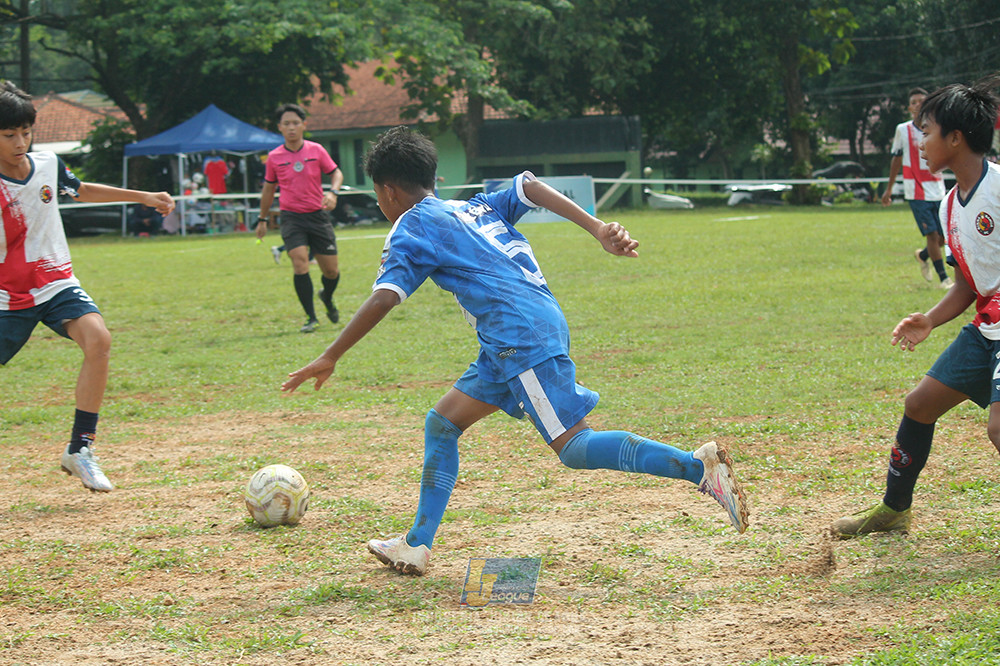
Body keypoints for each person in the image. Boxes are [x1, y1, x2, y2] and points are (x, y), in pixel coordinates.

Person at [281, 126, 749, 576]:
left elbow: (386, 295)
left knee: (574, 446)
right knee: (443, 423)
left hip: (518, 338)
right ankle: (417, 545)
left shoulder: (411, 226)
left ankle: (697, 467)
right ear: (432, 178)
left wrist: (331, 355)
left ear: (387, 192)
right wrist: (597, 228)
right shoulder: (473, 206)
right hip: (517, 333)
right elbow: (530, 186)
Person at [832, 76, 1000, 538]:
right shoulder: (948, 207)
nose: (920, 142)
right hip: (987, 326)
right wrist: (930, 318)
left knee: (998, 429)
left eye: (927, 132)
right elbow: (966, 285)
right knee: (920, 405)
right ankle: (894, 510)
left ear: (955, 138)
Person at [0, 81, 175, 492]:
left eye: (26, 132)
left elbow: (79, 191)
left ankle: (80, 449)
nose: (20, 143)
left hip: (55, 281)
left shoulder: (47, 164)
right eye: (9, 135)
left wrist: (143, 196)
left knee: (99, 339)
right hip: (7, 295)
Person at [254, 103, 343, 333]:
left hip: (318, 216)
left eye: (295, 123)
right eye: (286, 124)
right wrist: (262, 220)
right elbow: (268, 190)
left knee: (331, 272)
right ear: (280, 128)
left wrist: (333, 193)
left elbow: (335, 172)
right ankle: (311, 317)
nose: (291, 127)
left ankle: (327, 296)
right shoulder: (274, 157)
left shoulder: (316, 150)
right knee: (300, 262)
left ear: (304, 125)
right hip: (292, 218)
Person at [883, 87, 953, 289]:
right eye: (914, 102)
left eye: (922, 101)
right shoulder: (902, 130)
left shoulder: (937, 127)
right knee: (932, 235)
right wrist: (889, 188)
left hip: (937, 189)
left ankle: (922, 255)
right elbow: (896, 159)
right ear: (909, 108)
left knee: (942, 237)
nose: (918, 105)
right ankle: (944, 278)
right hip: (916, 190)